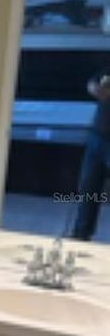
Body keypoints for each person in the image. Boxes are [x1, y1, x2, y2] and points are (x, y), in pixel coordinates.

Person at [70, 73, 110, 241]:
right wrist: (96, 89)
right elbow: (91, 82)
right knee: (89, 188)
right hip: (97, 136)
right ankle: (81, 234)